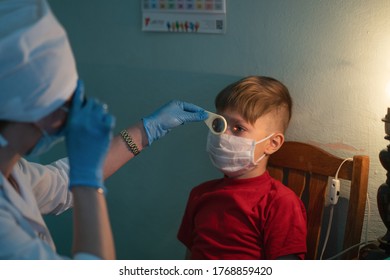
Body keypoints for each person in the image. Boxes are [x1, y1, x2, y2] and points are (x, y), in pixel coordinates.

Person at [0, 0, 207, 260]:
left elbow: (60, 185)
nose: (71, 116)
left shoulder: (12, 170)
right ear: (31, 109)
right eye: (67, 102)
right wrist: (88, 182)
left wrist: (146, 130)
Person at [177, 76, 307, 260]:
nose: (223, 135)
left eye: (238, 128)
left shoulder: (280, 203)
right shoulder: (199, 194)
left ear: (272, 143)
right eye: (219, 124)